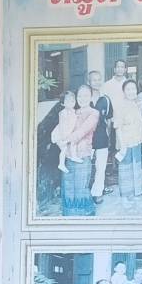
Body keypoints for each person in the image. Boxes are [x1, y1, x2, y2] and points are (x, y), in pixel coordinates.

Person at [54, 86, 98, 218]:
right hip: (69, 153)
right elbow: (61, 127)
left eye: (86, 95)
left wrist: (66, 140)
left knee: (81, 184)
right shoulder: (72, 111)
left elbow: (82, 131)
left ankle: (84, 213)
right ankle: (69, 213)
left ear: (91, 97)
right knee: (68, 183)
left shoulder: (94, 113)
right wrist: (57, 138)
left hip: (83, 153)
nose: (82, 99)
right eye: (80, 96)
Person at [114, 78, 142, 204]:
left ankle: (136, 192)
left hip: (136, 141)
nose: (131, 91)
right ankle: (125, 196)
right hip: (125, 143)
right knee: (125, 169)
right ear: (124, 91)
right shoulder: (120, 106)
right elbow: (117, 127)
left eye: (133, 89)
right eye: (128, 89)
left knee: (136, 166)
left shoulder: (136, 104)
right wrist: (122, 145)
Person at [88, 70, 113, 203]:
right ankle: (84, 192)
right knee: (86, 166)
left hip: (102, 137)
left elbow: (109, 120)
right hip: (86, 138)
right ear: (89, 82)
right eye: (94, 80)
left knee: (101, 167)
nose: (96, 82)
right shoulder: (84, 98)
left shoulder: (106, 99)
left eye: (99, 79)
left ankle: (97, 192)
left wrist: (108, 137)